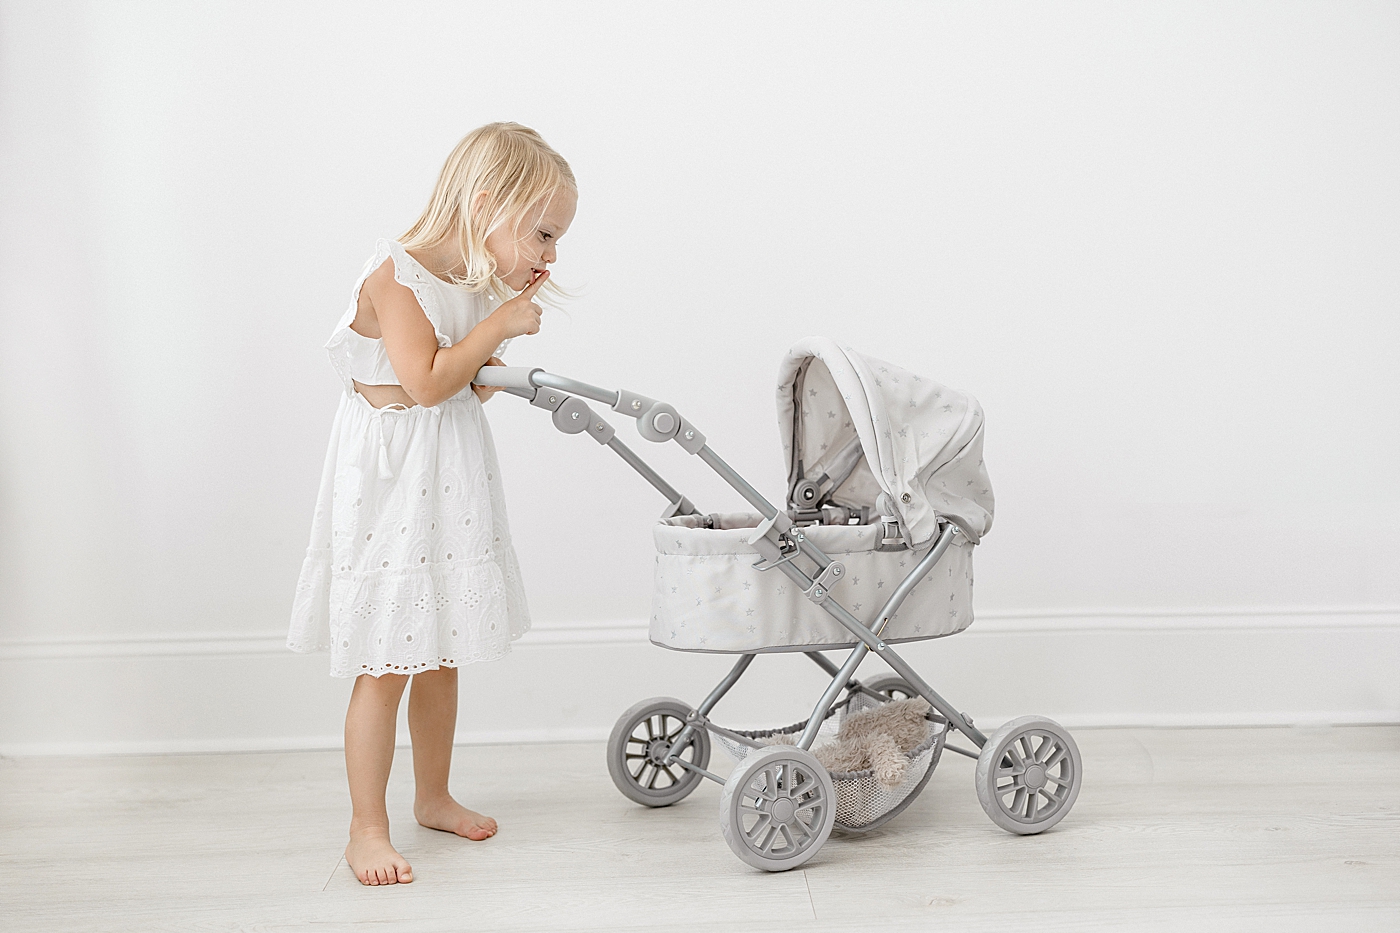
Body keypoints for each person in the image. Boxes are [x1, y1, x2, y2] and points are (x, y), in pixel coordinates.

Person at [287, 122, 577, 886]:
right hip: (390, 481)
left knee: (440, 648)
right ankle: (365, 826)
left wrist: (495, 345)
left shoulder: (472, 284)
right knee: (387, 656)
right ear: (488, 206)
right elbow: (423, 381)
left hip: (443, 472)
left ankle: (434, 794)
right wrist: (497, 326)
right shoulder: (397, 273)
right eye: (544, 233)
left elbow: (467, 381)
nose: (552, 255)